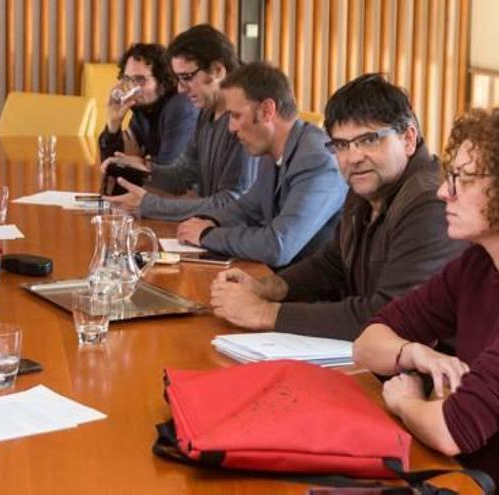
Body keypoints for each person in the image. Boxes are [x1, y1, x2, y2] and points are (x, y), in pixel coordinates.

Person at [208, 74, 465, 339]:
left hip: (433, 373)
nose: (353, 157)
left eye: (369, 140)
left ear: (408, 139)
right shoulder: (367, 185)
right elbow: (332, 264)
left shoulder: (432, 202)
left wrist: (263, 313)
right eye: (342, 145)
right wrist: (265, 288)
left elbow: (391, 316)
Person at [353, 108, 499, 481]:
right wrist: (410, 352)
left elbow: (451, 431)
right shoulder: (477, 266)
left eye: (462, 179)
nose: (442, 192)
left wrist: (406, 401)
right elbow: (367, 341)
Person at [175, 62, 347, 268]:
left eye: (236, 115)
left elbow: (277, 246)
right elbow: (247, 209)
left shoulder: (318, 159)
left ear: (267, 110)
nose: (231, 128)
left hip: (311, 292)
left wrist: (206, 234)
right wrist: (207, 220)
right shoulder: (271, 152)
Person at [103, 24, 258, 221]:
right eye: (178, 79)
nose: (180, 90)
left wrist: (150, 204)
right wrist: (145, 167)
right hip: (211, 231)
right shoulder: (207, 112)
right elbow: (182, 175)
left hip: (238, 242)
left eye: (186, 77)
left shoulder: (245, 119)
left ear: (218, 70)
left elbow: (231, 203)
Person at [97, 43, 197, 166]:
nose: (132, 87)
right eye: (127, 79)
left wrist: (142, 162)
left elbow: (169, 171)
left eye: (140, 80)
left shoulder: (181, 106)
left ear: (161, 81)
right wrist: (113, 124)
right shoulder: (143, 110)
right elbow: (112, 164)